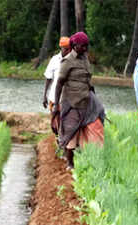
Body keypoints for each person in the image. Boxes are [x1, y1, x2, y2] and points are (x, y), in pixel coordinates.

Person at [52, 32, 105, 170]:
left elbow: (87, 80)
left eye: (87, 46)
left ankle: (94, 159)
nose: (86, 49)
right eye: (83, 46)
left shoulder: (85, 59)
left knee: (96, 124)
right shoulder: (67, 61)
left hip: (86, 101)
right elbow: (59, 83)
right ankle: (70, 164)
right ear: (75, 46)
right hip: (71, 102)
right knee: (71, 132)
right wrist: (56, 105)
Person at [43, 37, 72, 112]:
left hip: (68, 101)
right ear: (61, 48)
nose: (68, 51)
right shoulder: (54, 60)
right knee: (55, 122)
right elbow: (48, 78)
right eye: (65, 49)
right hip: (54, 98)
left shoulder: (73, 61)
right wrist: (44, 96)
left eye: (69, 49)